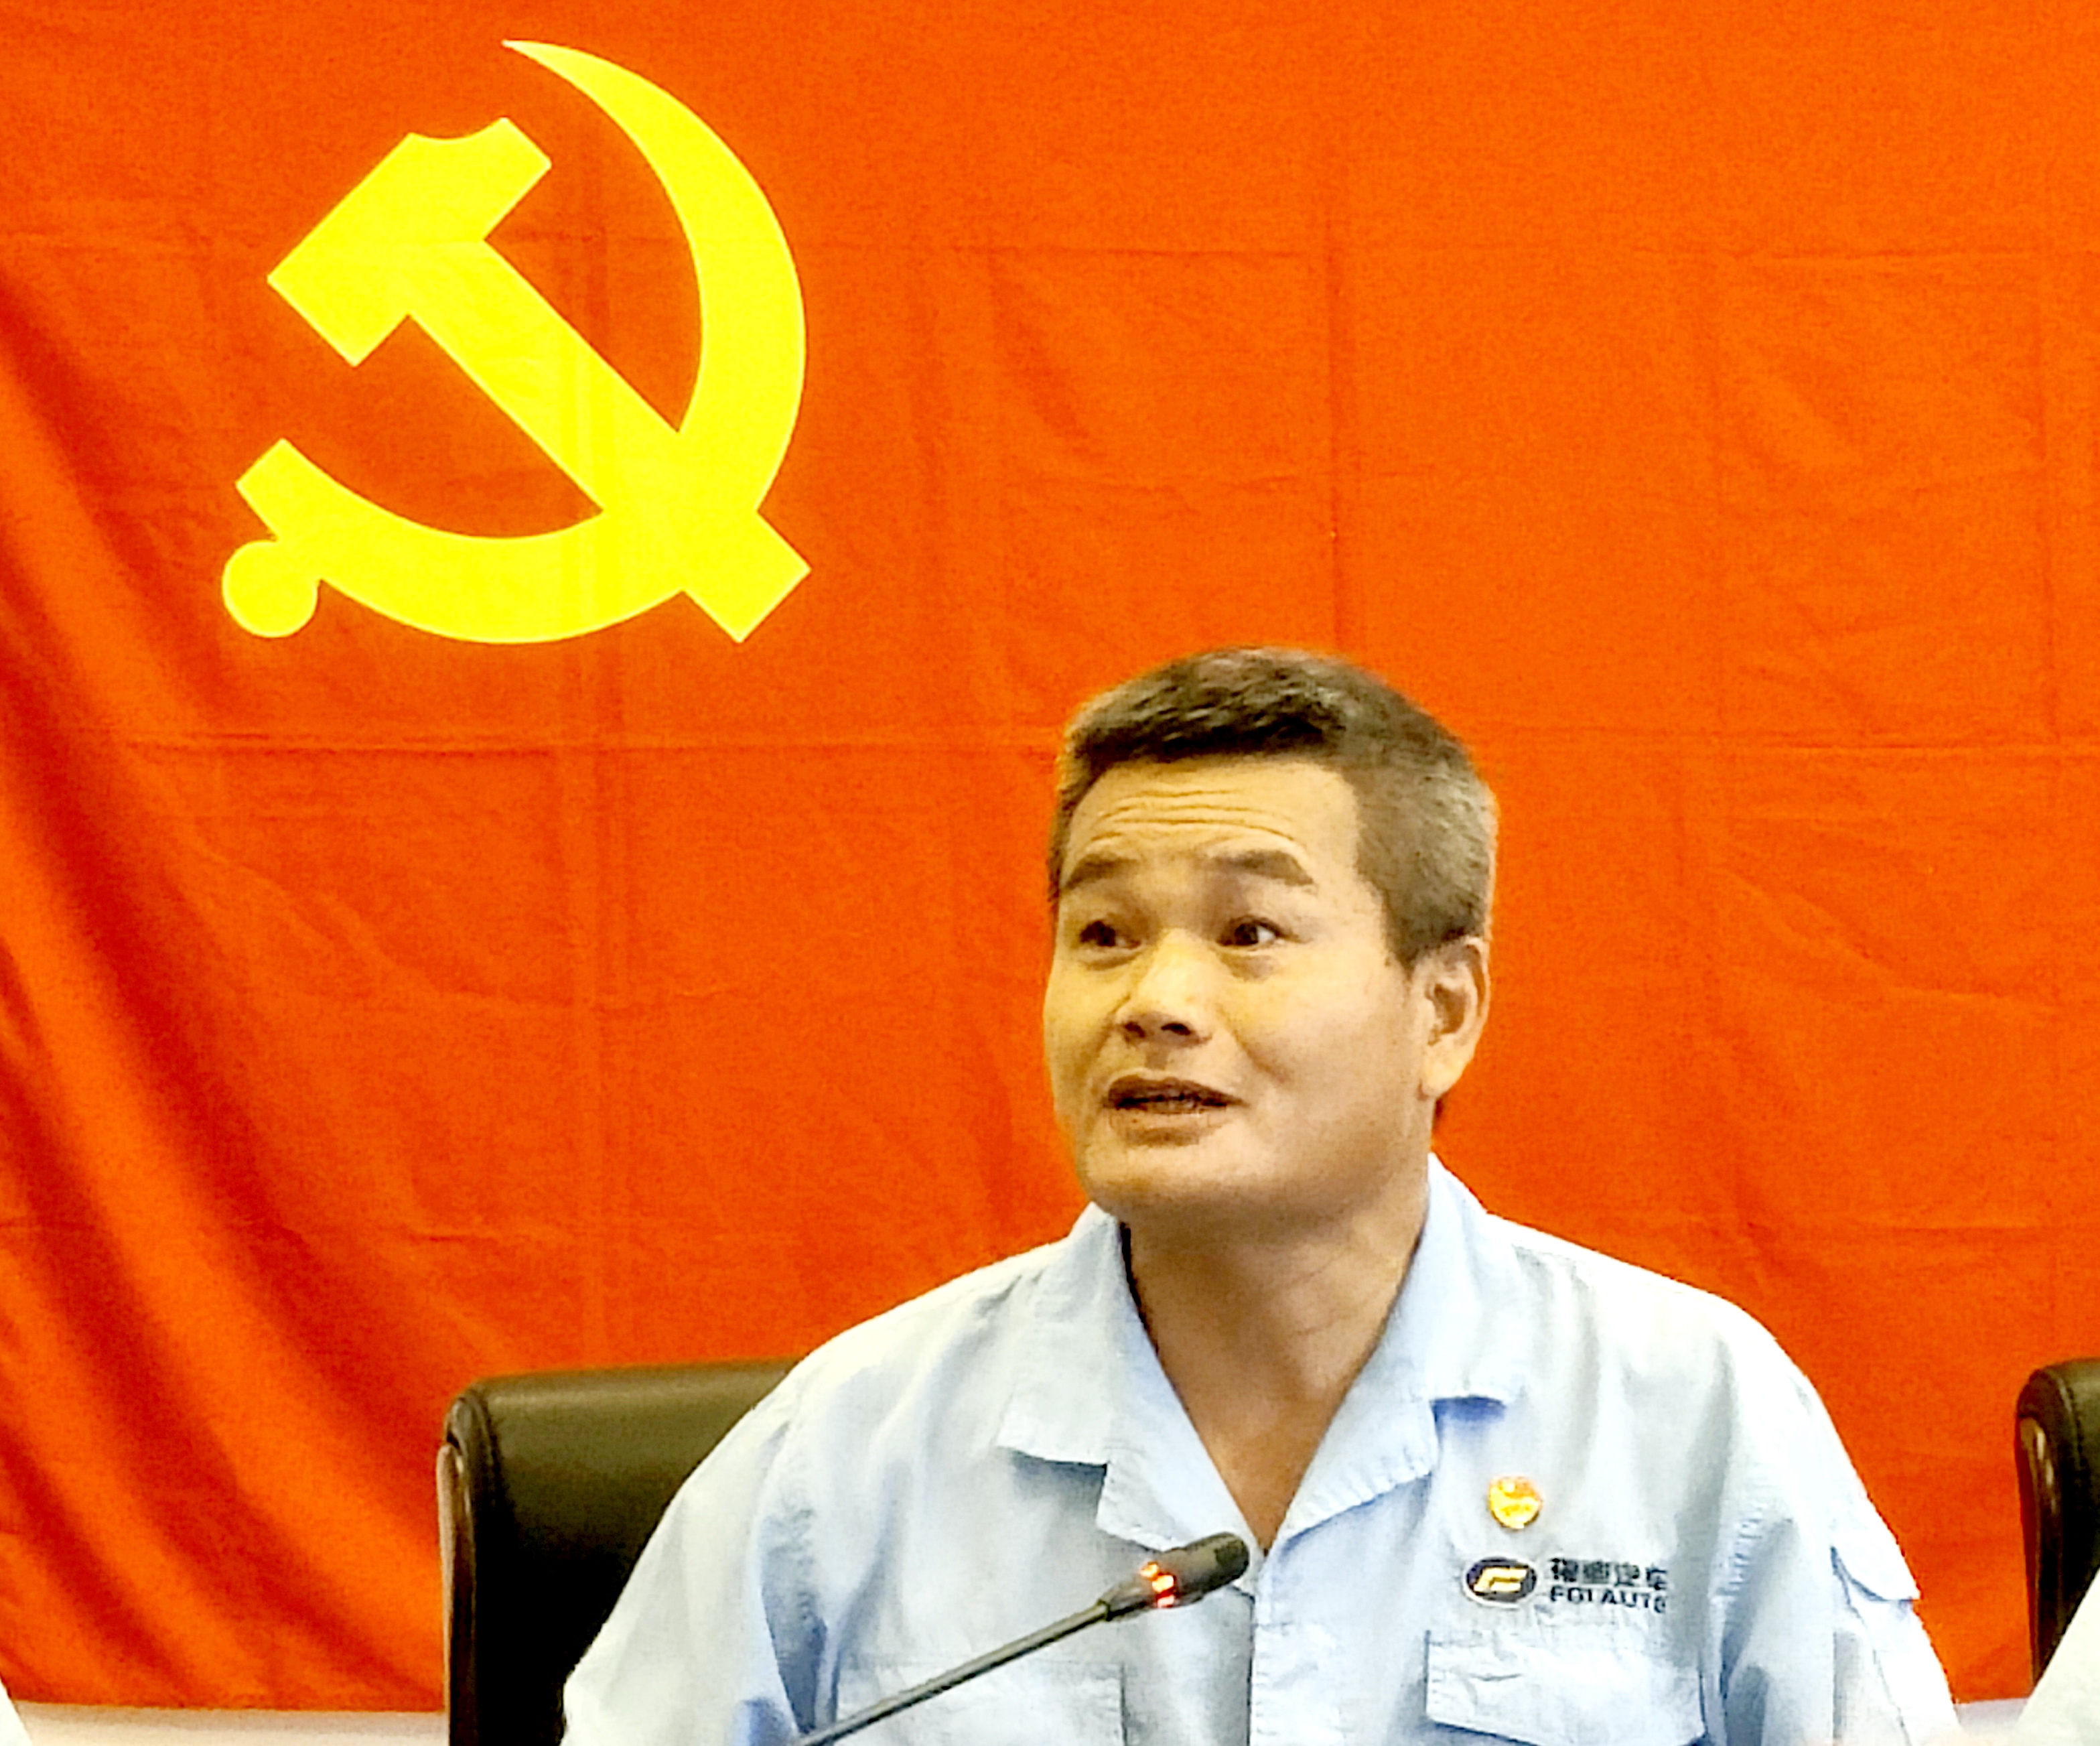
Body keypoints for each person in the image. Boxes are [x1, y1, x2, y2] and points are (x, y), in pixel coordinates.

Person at [562, 646, 1960, 1745]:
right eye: (1102, 933)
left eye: (1249, 932)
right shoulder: (845, 1456)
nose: (1154, 1000)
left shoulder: (1689, 1415)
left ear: (1443, 1010)